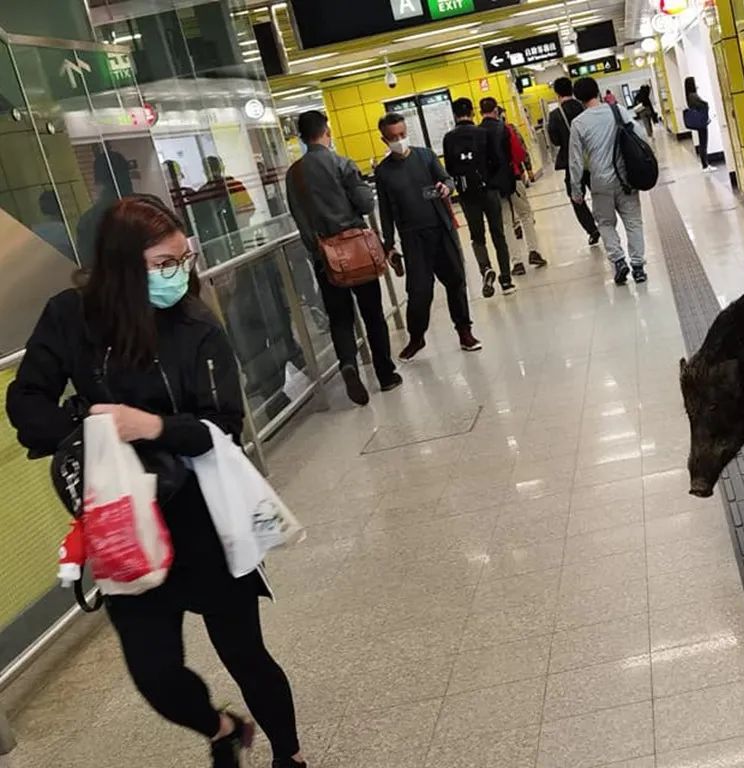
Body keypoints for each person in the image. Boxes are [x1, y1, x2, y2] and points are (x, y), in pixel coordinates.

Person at [6, 196, 305, 768]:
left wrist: (148, 425)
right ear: (121, 266)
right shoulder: (70, 317)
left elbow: (221, 426)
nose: (182, 273)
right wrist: (89, 424)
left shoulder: (196, 325)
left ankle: (289, 755)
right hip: (122, 520)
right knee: (154, 671)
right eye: (166, 263)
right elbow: (27, 402)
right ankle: (221, 728)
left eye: (184, 258)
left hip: (201, 514)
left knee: (246, 654)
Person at [285, 110, 402, 406]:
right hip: (356, 252)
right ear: (327, 131)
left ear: (301, 136)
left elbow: (298, 217)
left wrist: (316, 249)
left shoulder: (294, 174)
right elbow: (364, 203)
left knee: (340, 318)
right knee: (372, 313)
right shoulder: (341, 163)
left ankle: (348, 363)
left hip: (324, 257)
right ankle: (385, 374)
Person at [375, 112, 481, 359]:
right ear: (384, 140)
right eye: (393, 137)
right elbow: (386, 211)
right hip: (413, 239)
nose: (399, 140)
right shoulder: (384, 172)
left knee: (455, 281)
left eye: (402, 134)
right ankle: (417, 337)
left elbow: (446, 179)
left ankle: (464, 331)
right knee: (419, 290)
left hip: (440, 230)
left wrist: (447, 187)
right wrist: (388, 245)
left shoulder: (425, 156)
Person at [569, 76, 648, 286]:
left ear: (578, 99)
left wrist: (576, 191)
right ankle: (638, 267)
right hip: (626, 178)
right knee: (633, 222)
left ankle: (619, 261)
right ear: (597, 92)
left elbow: (575, 161)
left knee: (605, 223)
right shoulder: (618, 110)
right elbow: (641, 136)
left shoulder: (578, 124)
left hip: (600, 182)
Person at [442, 98, 515, 297]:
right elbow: (497, 160)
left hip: (467, 195)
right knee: (498, 234)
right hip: (488, 190)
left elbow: (449, 168)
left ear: (455, 115)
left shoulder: (449, 138)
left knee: (477, 236)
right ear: (473, 113)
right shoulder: (483, 133)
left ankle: (485, 268)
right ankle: (506, 279)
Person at [478, 98, 547, 276]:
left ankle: (516, 263)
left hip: (493, 185)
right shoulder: (506, 128)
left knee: (506, 223)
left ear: (480, 112)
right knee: (525, 214)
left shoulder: (477, 133)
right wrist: (524, 170)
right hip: (513, 178)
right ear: (496, 110)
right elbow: (518, 153)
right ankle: (534, 252)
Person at [547, 77, 601, 246]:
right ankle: (605, 222)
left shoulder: (555, 115)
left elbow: (555, 141)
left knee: (576, 198)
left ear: (556, 93)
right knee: (598, 193)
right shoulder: (584, 107)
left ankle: (592, 229)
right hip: (592, 159)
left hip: (572, 162)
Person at [684, 76, 712, 172]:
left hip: (698, 121)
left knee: (702, 142)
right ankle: (705, 164)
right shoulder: (693, 95)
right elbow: (704, 104)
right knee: (703, 143)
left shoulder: (689, 96)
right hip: (701, 121)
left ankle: (705, 164)